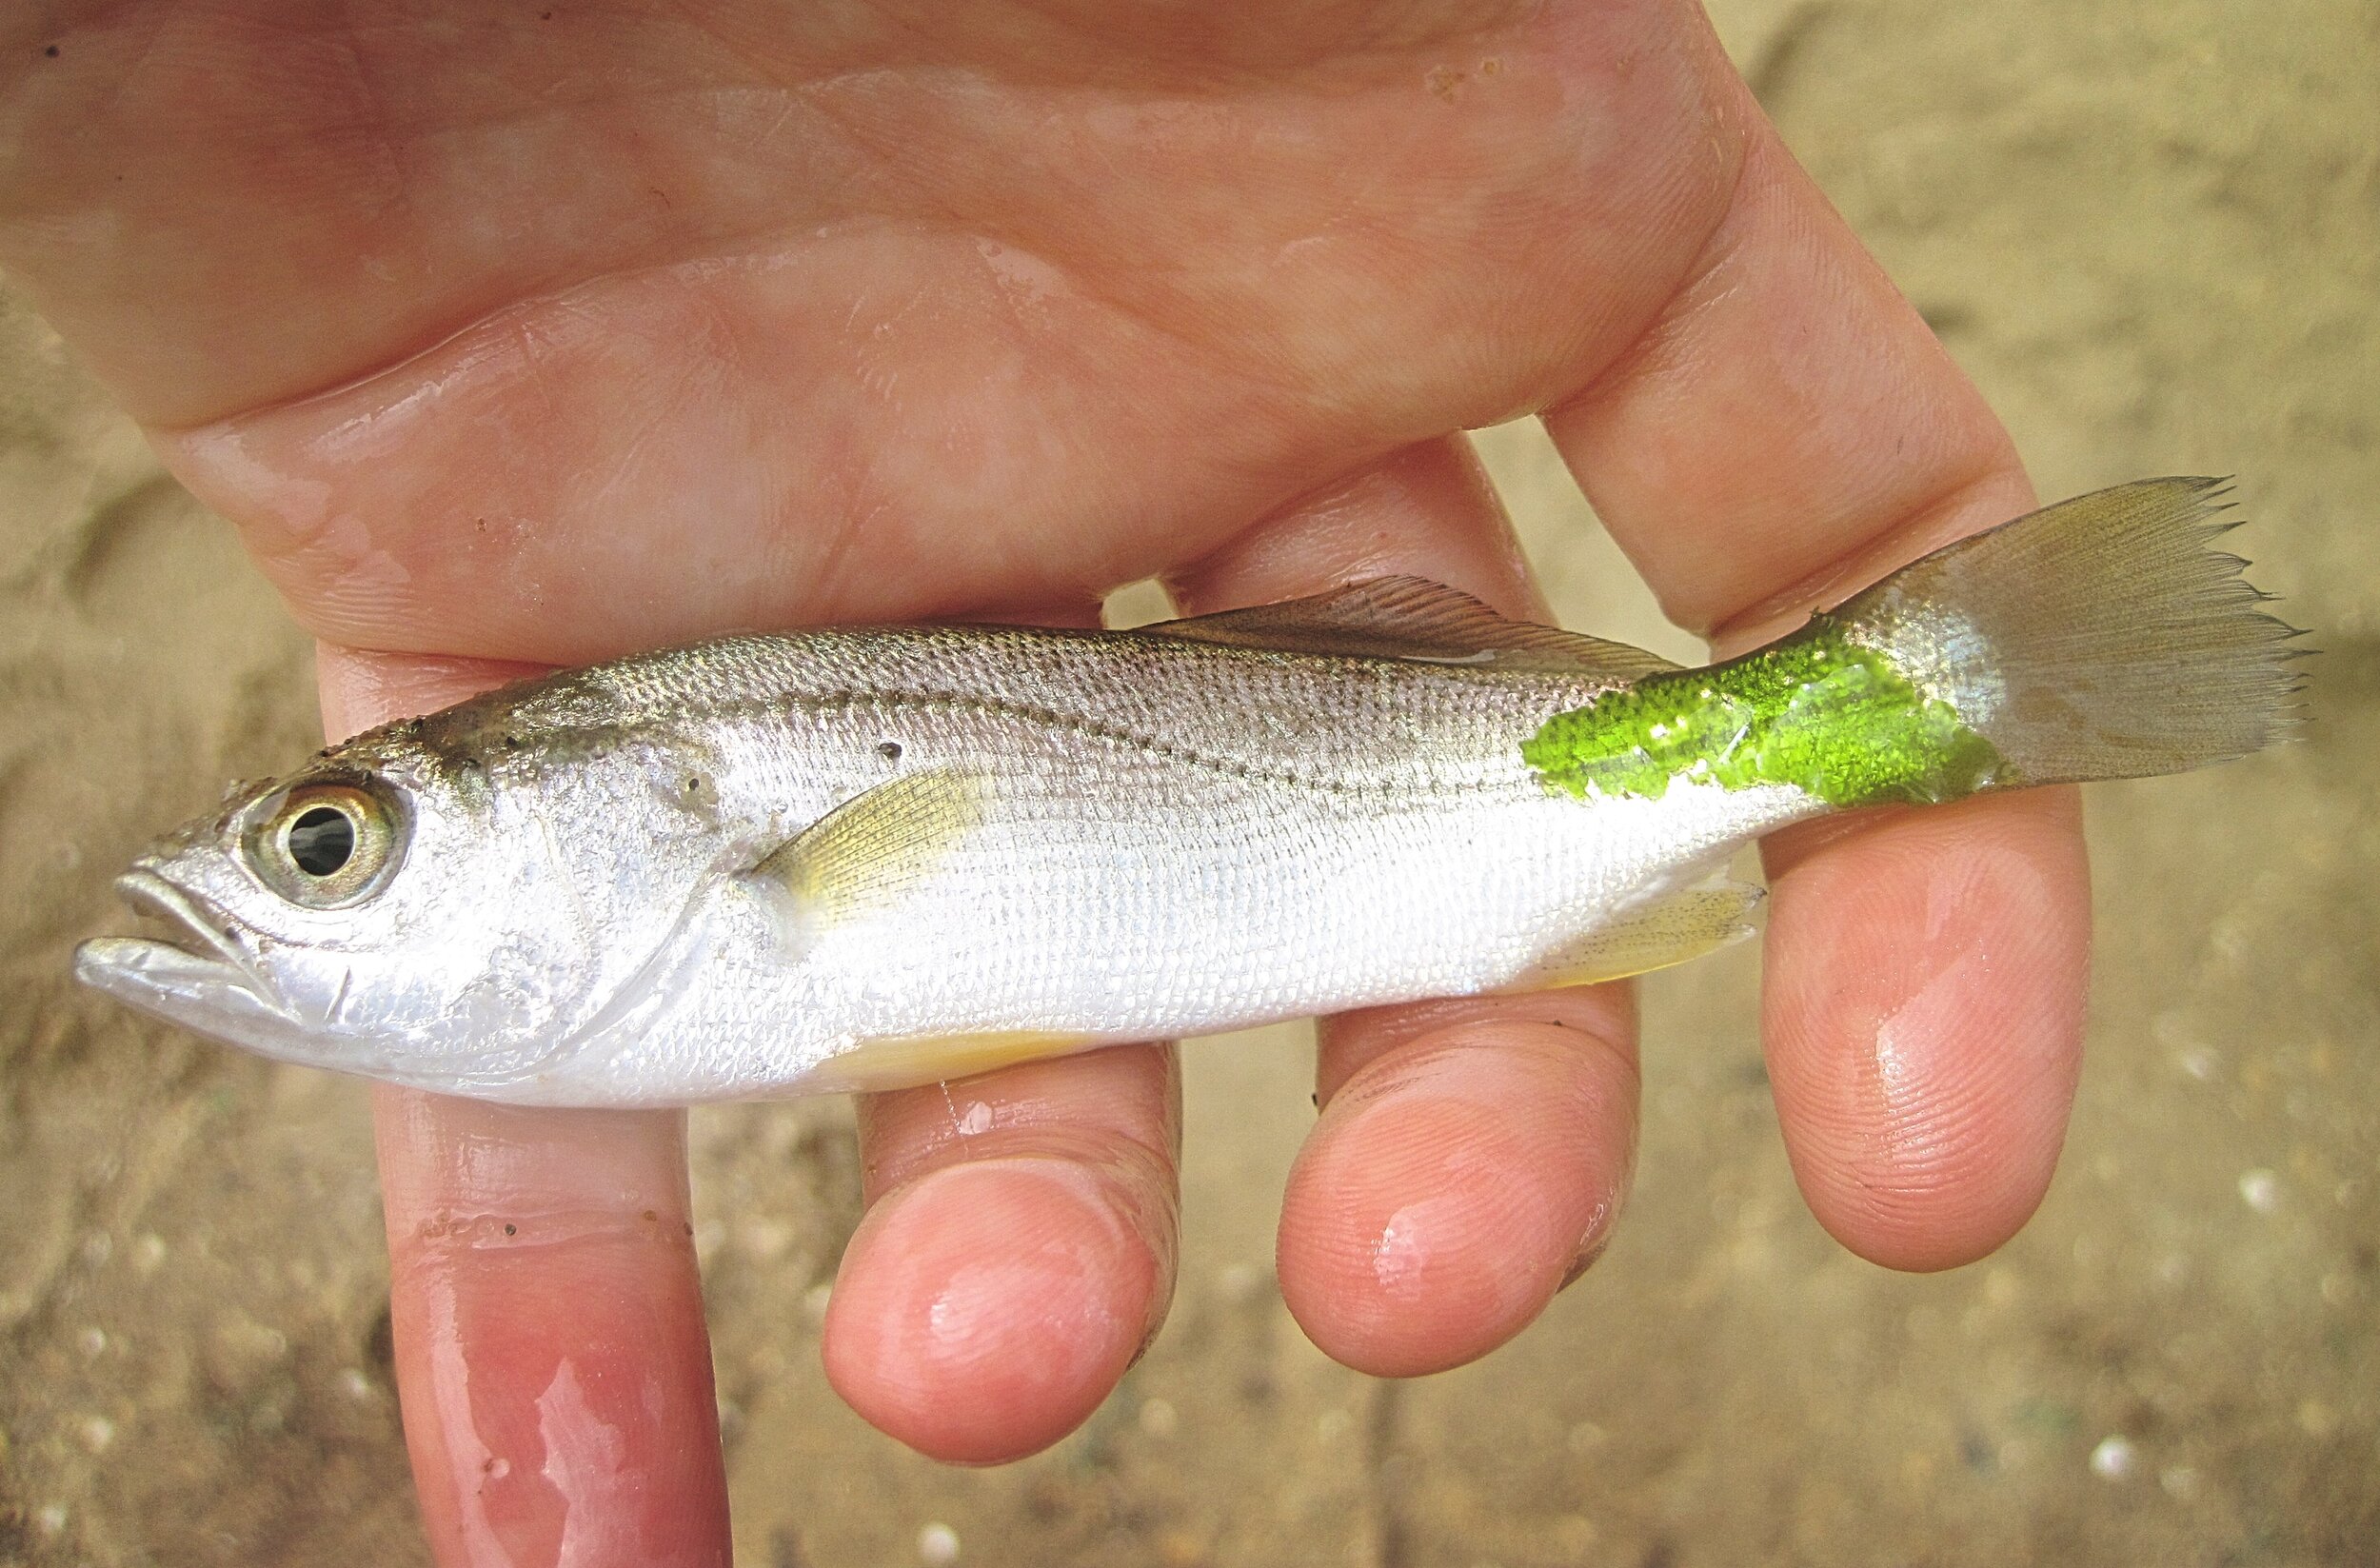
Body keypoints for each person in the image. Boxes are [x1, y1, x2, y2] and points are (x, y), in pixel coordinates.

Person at [1, 3, 2090, 1561]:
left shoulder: (731, 829)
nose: (289, 873)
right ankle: (1949, 682)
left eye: (332, 843)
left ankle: (1956, 681)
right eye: (316, 837)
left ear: (613, 792)